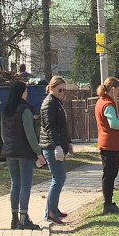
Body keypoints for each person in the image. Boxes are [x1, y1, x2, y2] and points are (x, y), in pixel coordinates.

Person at [1, 81, 46, 230]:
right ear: (22, 92)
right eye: (26, 90)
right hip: (24, 153)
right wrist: (38, 152)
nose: (27, 93)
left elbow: (3, 134)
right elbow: (30, 134)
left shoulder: (6, 110)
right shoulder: (25, 110)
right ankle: (24, 218)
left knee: (15, 184)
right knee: (25, 185)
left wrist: (8, 145)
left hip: (10, 152)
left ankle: (14, 219)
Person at [40, 76, 73, 224]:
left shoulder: (57, 102)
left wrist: (68, 141)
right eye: (60, 89)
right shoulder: (49, 104)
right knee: (57, 179)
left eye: (63, 90)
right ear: (52, 88)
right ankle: (50, 214)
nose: (62, 92)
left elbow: (63, 126)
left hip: (58, 145)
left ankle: (54, 209)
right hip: (51, 146)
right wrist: (57, 146)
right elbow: (50, 128)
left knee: (61, 178)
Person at [95, 77, 119, 214]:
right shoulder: (107, 104)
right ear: (113, 89)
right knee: (109, 174)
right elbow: (113, 123)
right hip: (109, 143)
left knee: (110, 173)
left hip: (110, 143)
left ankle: (109, 202)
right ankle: (107, 204)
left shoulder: (102, 101)